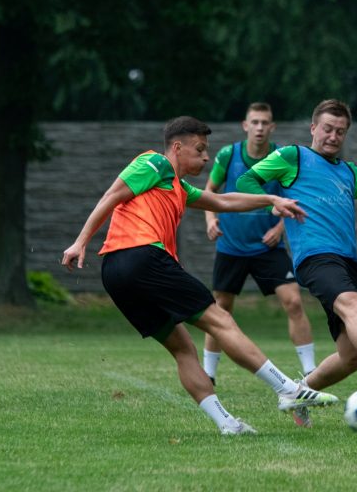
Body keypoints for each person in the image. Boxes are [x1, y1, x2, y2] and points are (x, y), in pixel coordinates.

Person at [61, 116, 338, 436]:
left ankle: (227, 423)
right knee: (220, 320)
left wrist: (271, 199)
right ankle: (287, 388)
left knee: (183, 348)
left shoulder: (177, 187)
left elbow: (221, 200)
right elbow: (113, 194)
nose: (206, 157)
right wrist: (81, 241)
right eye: (200, 149)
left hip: (115, 273)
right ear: (176, 148)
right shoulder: (154, 163)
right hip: (142, 256)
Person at [237, 99, 357, 427]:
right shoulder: (292, 157)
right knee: (353, 306)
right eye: (327, 129)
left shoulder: (349, 173)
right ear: (313, 128)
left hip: (347, 263)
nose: (333, 136)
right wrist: (273, 201)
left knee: (351, 356)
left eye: (340, 131)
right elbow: (245, 182)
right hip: (314, 257)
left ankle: (297, 392)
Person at [202, 102, 316, 385]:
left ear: (272, 127)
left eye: (265, 122)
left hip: (268, 248)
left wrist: (280, 227)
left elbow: (292, 200)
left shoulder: (280, 157)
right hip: (231, 247)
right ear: (245, 125)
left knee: (293, 301)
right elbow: (209, 191)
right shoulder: (229, 155)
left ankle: (311, 372)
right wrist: (210, 220)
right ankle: (209, 374)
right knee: (220, 308)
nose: (260, 128)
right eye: (255, 122)